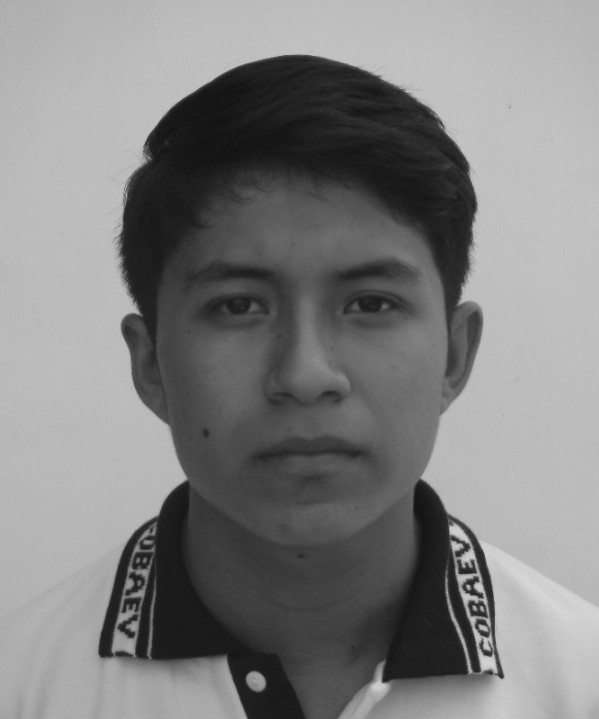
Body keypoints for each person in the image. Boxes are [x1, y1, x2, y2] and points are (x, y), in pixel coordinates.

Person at [1, 54, 598, 719]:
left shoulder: (580, 683)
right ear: (151, 365)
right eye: (238, 306)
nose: (305, 375)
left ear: (454, 356)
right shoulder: (24, 687)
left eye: (371, 303)